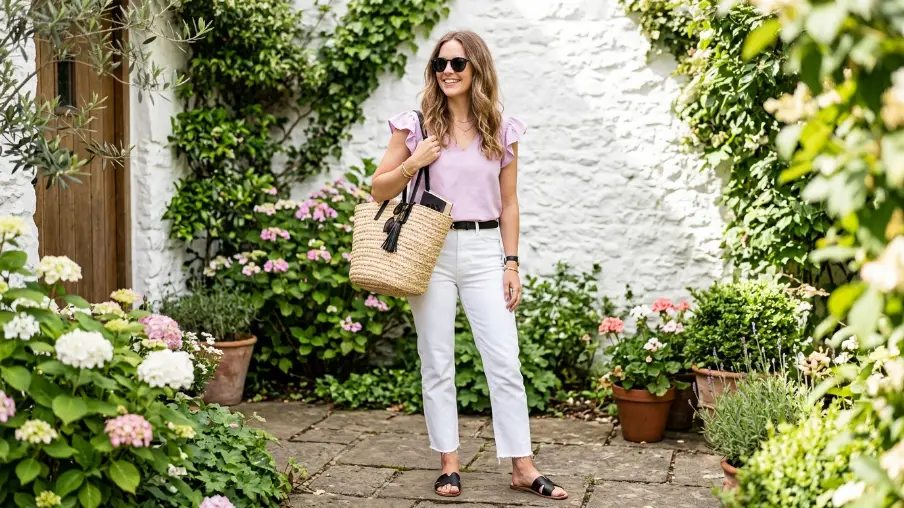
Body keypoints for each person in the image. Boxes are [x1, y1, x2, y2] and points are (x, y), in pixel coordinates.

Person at [371, 30, 568, 501]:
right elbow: (378, 189)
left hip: (483, 252)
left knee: (504, 360)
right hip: (429, 250)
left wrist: (512, 263)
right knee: (436, 360)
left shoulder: (501, 129)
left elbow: (510, 203)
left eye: (458, 64)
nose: (448, 73)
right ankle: (450, 466)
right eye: (440, 65)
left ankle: (522, 465)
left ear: (477, 68)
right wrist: (412, 163)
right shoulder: (416, 127)